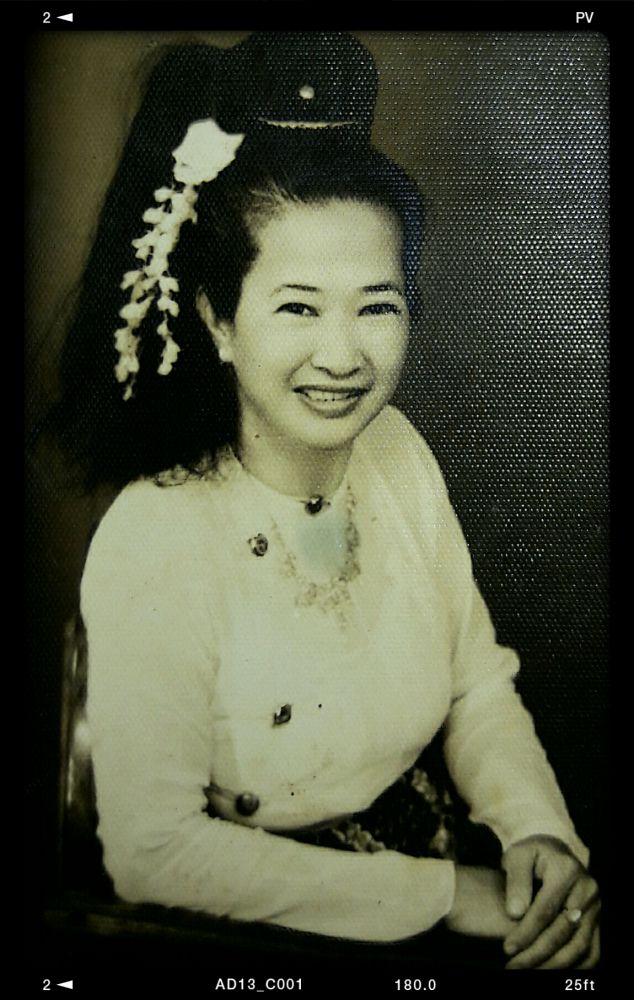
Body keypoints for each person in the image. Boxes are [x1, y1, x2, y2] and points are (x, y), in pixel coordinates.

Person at [50, 32, 600, 967]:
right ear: (219, 320)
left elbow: (475, 684)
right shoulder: (159, 532)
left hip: (439, 862)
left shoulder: (396, 452)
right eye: (298, 307)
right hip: (243, 929)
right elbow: (153, 853)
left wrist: (536, 834)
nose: (343, 357)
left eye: (377, 305)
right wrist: (444, 896)